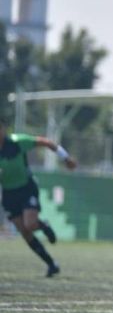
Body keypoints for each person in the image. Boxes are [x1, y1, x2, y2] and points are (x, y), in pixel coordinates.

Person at [0, 116, 76, 276]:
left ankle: (43, 225)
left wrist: (66, 158)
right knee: (25, 232)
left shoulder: (17, 142)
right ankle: (51, 264)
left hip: (26, 188)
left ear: (4, 129)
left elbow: (47, 143)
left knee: (30, 224)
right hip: (8, 194)